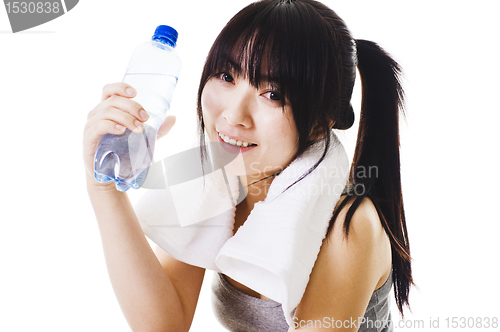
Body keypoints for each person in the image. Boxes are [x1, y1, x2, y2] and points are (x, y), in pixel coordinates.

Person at [83, 0, 413, 331]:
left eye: (273, 94)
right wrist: (103, 187)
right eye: (227, 76)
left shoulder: (350, 224)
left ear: (319, 123)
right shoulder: (216, 181)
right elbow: (162, 323)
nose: (233, 115)